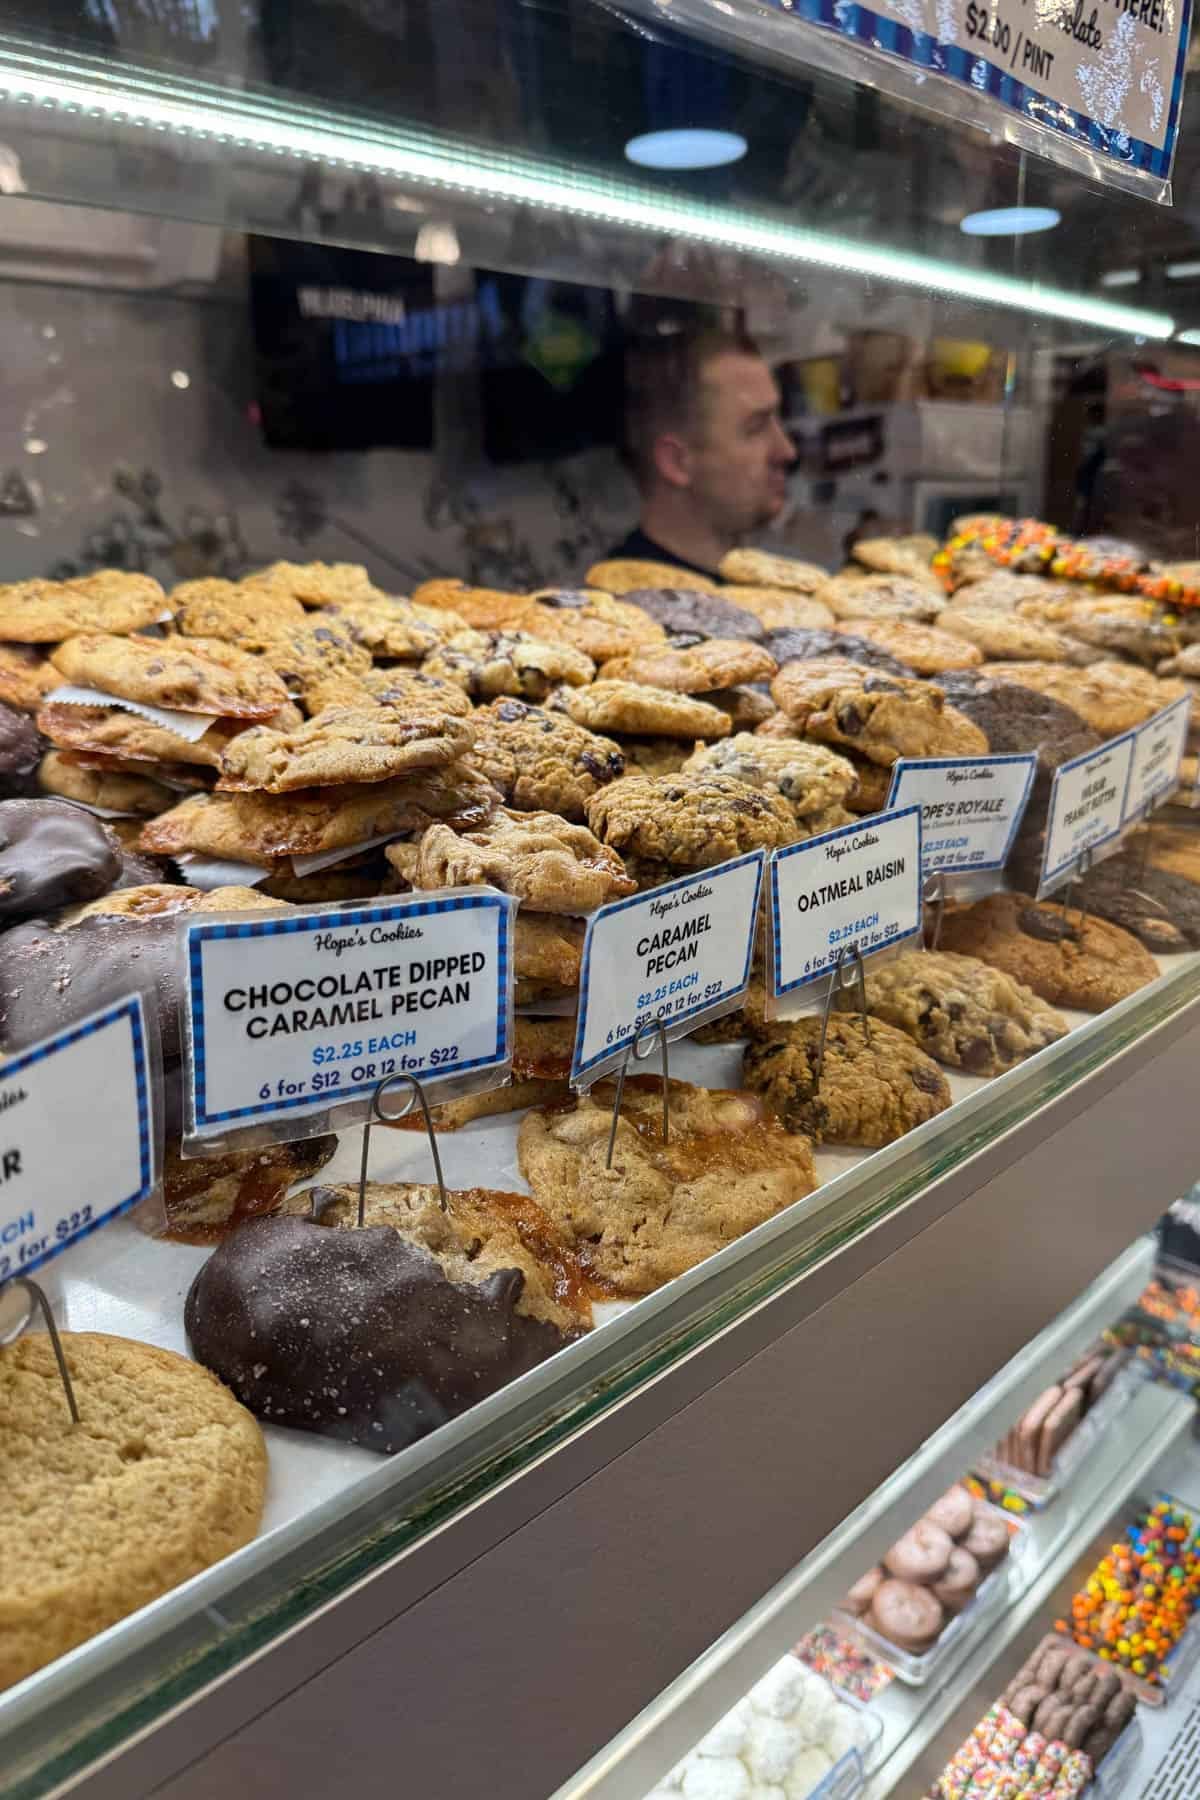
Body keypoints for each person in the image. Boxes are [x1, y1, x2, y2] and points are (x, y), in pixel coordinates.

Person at [608, 325, 797, 578]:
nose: (787, 451)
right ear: (676, 461)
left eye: (778, 419)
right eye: (756, 428)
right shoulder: (628, 610)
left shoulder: (758, 584)